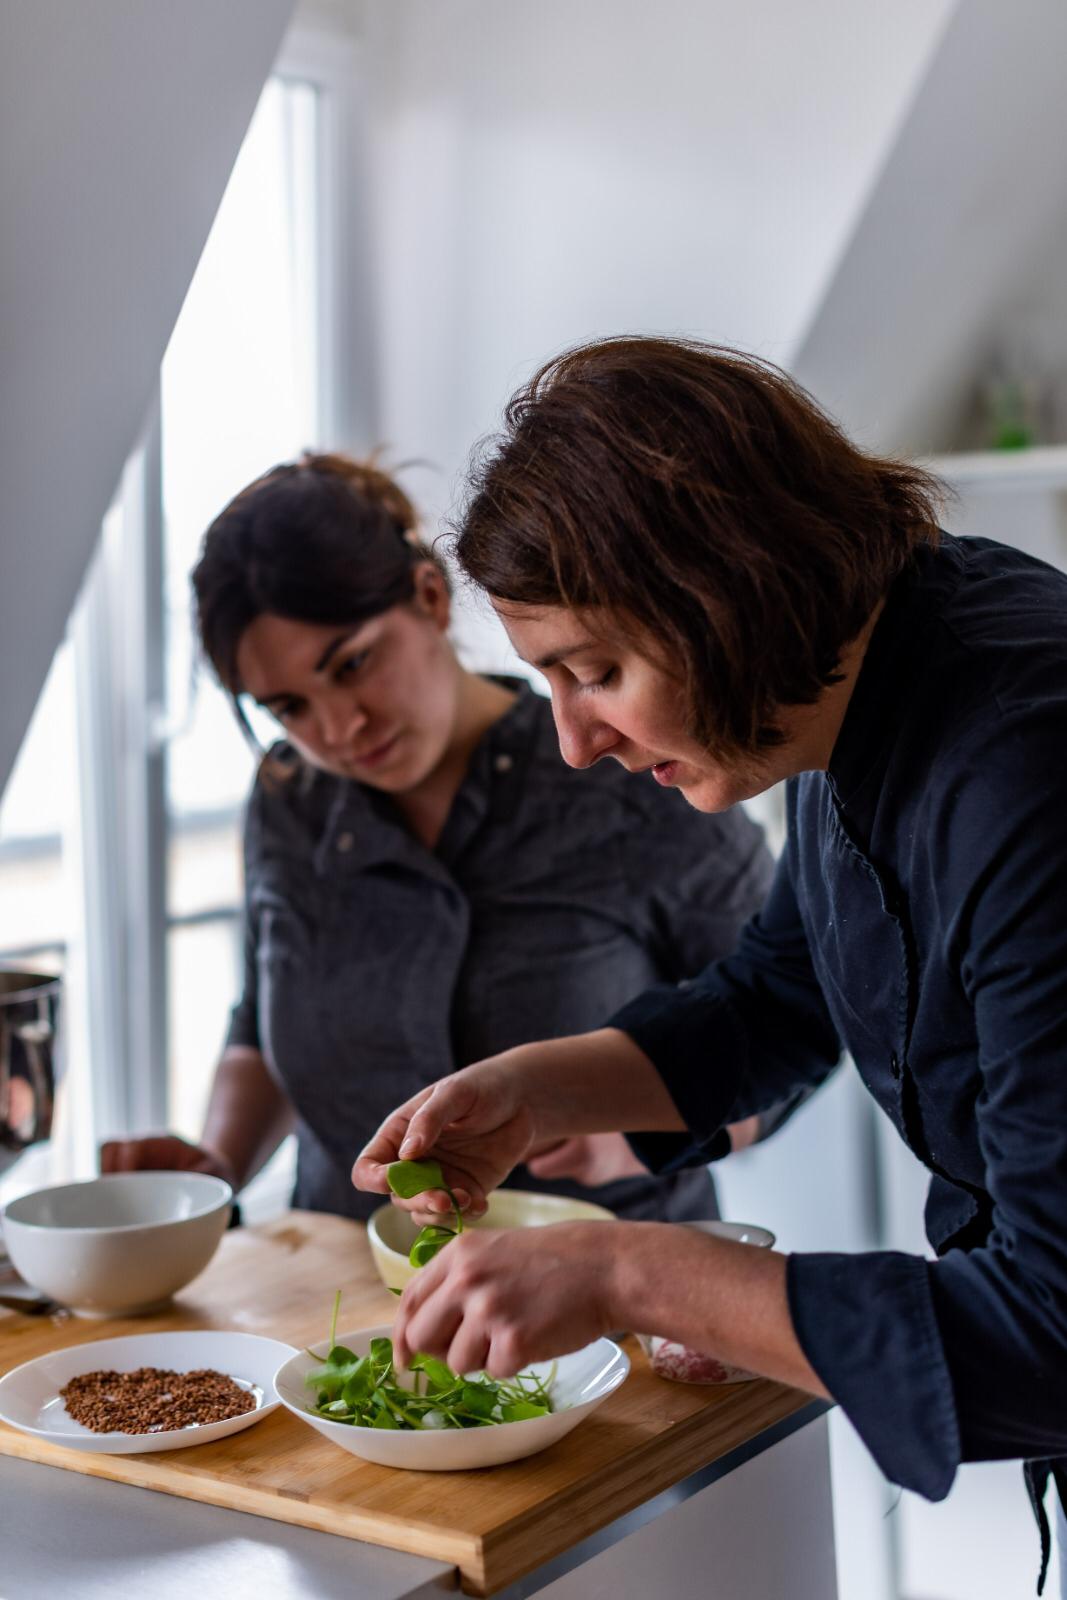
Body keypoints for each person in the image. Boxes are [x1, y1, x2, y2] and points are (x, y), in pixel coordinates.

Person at [355, 339, 1067, 1591]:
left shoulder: (1025, 768)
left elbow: (1053, 1334)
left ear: (726, 595)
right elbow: (780, 994)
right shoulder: (855, 684)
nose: (574, 742)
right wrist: (534, 1091)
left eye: (597, 673)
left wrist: (632, 1271)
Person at [102, 451, 785, 1225]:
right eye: (288, 707)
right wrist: (214, 1169)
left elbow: (784, 1026)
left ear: (429, 598)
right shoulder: (287, 802)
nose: (337, 728)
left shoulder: (634, 767)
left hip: (607, 1286)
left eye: (353, 664)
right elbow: (261, 1020)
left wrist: (647, 1135)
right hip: (345, 1289)